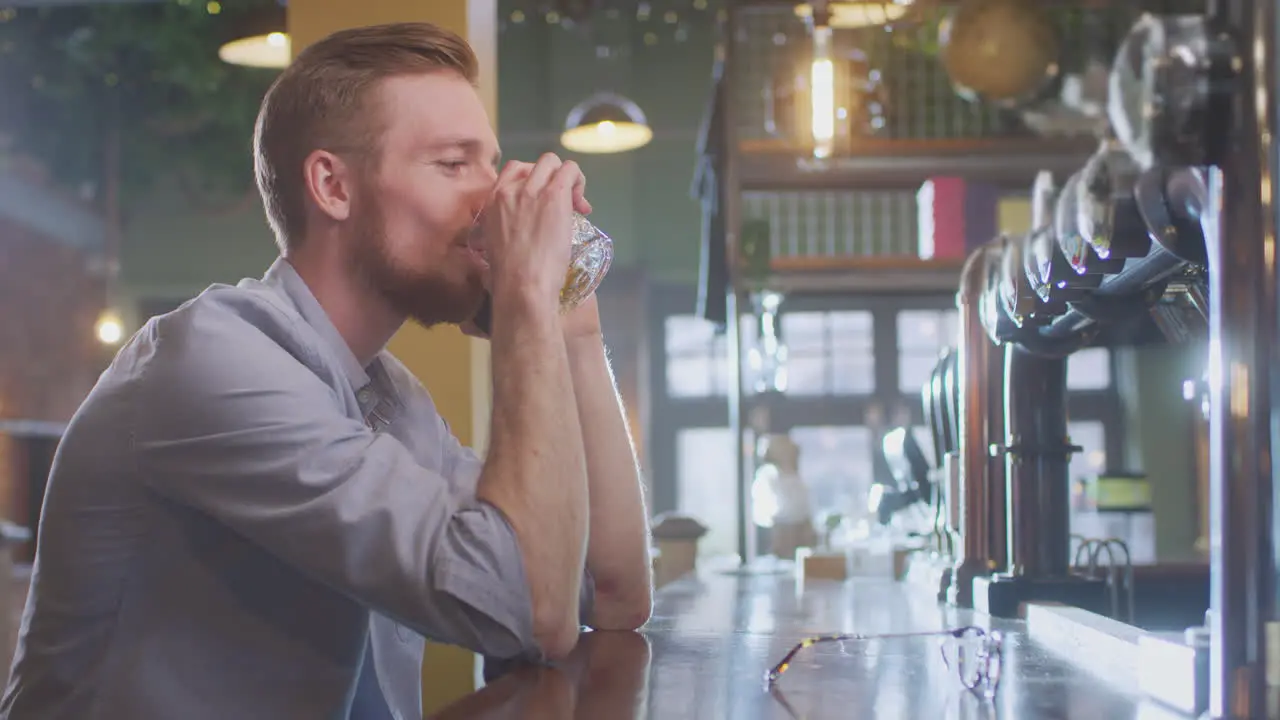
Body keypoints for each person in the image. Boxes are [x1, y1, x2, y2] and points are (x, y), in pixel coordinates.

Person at [0, 21, 653, 720]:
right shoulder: (214, 364)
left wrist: (573, 323)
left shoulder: (387, 396)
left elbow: (609, 592)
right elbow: (527, 609)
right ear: (333, 187)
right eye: (453, 165)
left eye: (491, 166)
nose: (492, 201)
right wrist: (524, 295)